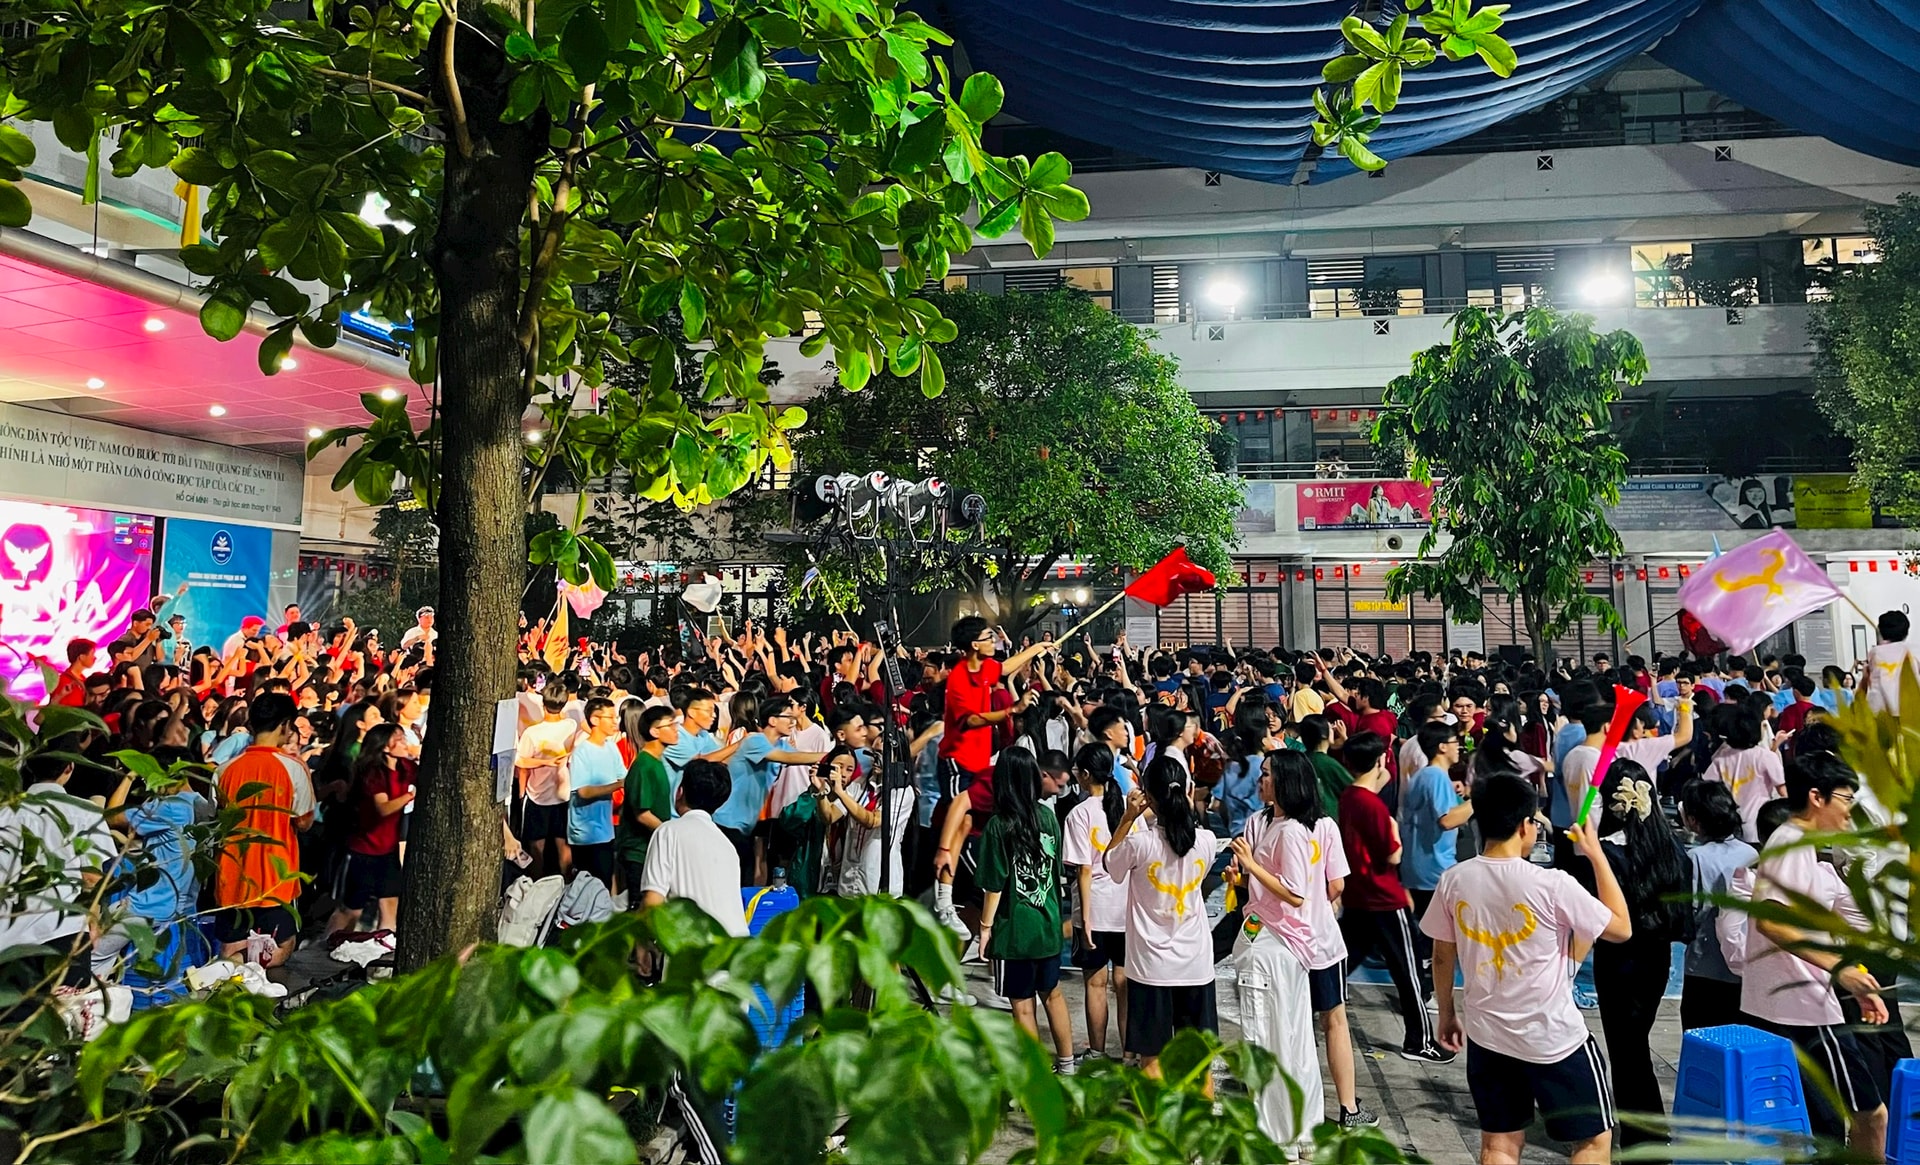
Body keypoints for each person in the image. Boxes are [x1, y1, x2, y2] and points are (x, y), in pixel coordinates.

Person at [1425, 772, 1632, 1165]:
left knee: (1499, 1145)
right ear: (1524, 825)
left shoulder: (1453, 880)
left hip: (1487, 1037)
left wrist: (1447, 1014)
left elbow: (1441, 955)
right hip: (1554, 1038)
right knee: (1592, 1141)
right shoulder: (1552, 884)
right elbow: (1621, 928)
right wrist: (1596, 854)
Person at [1741, 752, 1890, 1154]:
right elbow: (1769, 921)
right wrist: (1842, 971)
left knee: (1831, 1123)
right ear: (1816, 797)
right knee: (1871, 1115)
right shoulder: (1790, 842)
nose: (1850, 810)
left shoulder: (1801, 846)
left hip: (1802, 1002)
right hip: (1804, 1008)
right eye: (1846, 799)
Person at [1245, 750, 1374, 1129]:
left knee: (1292, 1027)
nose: (1260, 780)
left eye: (1266, 774)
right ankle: (1344, 1107)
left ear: (1285, 781)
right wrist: (1316, 904)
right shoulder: (1322, 826)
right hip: (1312, 941)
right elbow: (1336, 885)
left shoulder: (1262, 824)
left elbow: (1274, 884)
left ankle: (1291, 1108)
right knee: (1331, 1020)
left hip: (1288, 942)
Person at [1567, 760, 1691, 1149]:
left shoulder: (1606, 855)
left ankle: (1644, 1138)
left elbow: (1590, 912)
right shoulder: (1672, 849)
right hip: (1657, 960)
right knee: (1633, 1047)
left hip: (1618, 961)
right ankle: (1644, 1134)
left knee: (1627, 1052)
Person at [932, 616, 1054, 939]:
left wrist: (1037, 648)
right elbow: (972, 720)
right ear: (974, 644)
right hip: (957, 760)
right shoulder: (959, 678)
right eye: (989, 637)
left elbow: (1005, 666)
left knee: (968, 824)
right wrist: (1012, 710)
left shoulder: (985, 668)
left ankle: (952, 902)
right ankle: (943, 899)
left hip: (977, 761)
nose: (994, 642)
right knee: (960, 821)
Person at [1103, 754, 1220, 1083]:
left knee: (1151, 1057)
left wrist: (1128, 817)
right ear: (1187, 791)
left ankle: (1157, 1116)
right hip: (1195, 963)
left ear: (1148, 797)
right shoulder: (1207, 842)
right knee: (1198, 1062)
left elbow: (1111, 864)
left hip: (1151, 967)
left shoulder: (1139, 844)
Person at [1336, 731, 1447, 1062]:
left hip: (1358, 893)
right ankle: (1419, 1040)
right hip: (1384, 896)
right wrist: (1394, 831)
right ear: (1380, 760)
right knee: (1407, 970)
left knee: (1344, 959)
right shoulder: (1373, 806)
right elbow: (1393, 854)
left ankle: (1308, 1005)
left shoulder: (1350, 797)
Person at [976, 746, 1075, 1076]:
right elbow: (1055, 869)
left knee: (1022, 1007)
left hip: (1015, 932)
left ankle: (1035, 1075)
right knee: (1053, 995)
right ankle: (1067, 1064)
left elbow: (994, 884)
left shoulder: (999, 825)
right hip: (1048, 925)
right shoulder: (1047, 817)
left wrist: (985, 929)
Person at [212, 693, 315, 967]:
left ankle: (225, 972)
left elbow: (216, 819)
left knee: (230, 946)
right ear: (285, 725)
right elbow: (304, 822)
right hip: (275, 878)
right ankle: (236, 967)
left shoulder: (224, 770)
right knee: (280, 947)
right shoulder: (294, 768)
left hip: (232, 877)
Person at [713, 692, 827, 887]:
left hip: (744, 824)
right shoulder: (755, 741)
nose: (792, 722)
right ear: (772, 720)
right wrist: (830, 755)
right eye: (788, 717)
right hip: (727, 821)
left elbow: (802, 756)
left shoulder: (781, 744)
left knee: (744, 878)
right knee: (731, 880)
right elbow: (790, 758)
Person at [1064, 742, 1128, 1061]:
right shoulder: (1128, 807)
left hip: (1096, 910)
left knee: (1095, 984)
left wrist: (1086, 920)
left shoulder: (1079, 814)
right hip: (1126, 909)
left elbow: (1084, 870)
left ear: (1086, 774)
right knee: (1124, 983)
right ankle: (1130, 1055)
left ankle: (1098, 1053)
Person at [638, 759, 749, 937]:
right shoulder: (727, 846)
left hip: (696, 945)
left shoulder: (668, 831)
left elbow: (653, 902)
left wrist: (640, 944)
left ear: (680, 791)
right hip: (735, 944)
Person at [1678, 779, 1755, 1031]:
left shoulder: (1695, 858)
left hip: (1704, 964)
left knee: (1702, 1037)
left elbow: (1689, 912)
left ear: (1693, 820)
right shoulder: (1751, 854)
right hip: (1745, 964)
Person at [326, 723, 412, 942]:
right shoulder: (373, 773)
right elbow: (383, 808)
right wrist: (410, 796)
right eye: (399, 739)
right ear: (384, 746)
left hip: (388, 850)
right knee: (351, 909)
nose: (405, 743)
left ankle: (385, 945)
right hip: (363, 850)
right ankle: (329, 943)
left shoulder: (405, 767)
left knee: (390, 901)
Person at [1400, 721, 1470, 924]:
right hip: (1435, 868)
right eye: (1455, 742)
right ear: (1442, 747)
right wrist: (1479, 799)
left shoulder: (1423, 774)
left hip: (1418, 867)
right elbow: (1447, 820)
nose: (1458, 747)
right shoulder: (1436, 776)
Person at [513, 689, 578, 877]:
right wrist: (551, 761)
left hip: (537, 795)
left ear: (543, 704)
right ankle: (567, 884)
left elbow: (521, 761)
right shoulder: (571, 725)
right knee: (564, 844)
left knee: (536, 847)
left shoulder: (532, 733)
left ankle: (537, 884)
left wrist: (543, 763)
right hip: (563, 793)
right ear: (563, 704)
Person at [566, 697, 627, 888]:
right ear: (594, 720)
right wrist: (616, 786)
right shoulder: (582, 752)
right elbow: (583, 791)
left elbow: (624, 776)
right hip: (585, 832)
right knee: (588, 888)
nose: (615, 722)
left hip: (605, 830)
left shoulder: (611, 747)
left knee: (605, 882)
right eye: (610, 717)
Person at [1702, 707, 1784, 842]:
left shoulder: (1722, 756)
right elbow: (1782, 790)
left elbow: (1707, 785)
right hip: (1757, 824)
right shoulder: (1766, 757)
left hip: (1727, 823)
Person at [1866, 609, 1919, 715]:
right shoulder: (1915, 651)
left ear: (1880, 631)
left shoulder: (1875, 652)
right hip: (1912, 708)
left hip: (1880, 710)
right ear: (1906, 631)